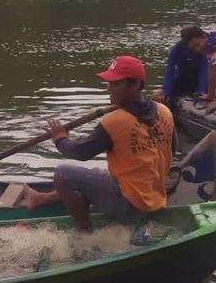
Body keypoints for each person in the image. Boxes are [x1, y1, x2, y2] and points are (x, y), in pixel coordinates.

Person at [23, 55, 174, 231]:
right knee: (97, 173)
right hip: (157, 197)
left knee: (64, 174)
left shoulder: (115, 121)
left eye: (116, 84)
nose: (109, 88)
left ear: (135, 84)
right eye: (109, 83)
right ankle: (40, 199)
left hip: (131, 207)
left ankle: (85, 233)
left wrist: (60, 138)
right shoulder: (164, 112)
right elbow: (171, 149)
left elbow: (79, 152)